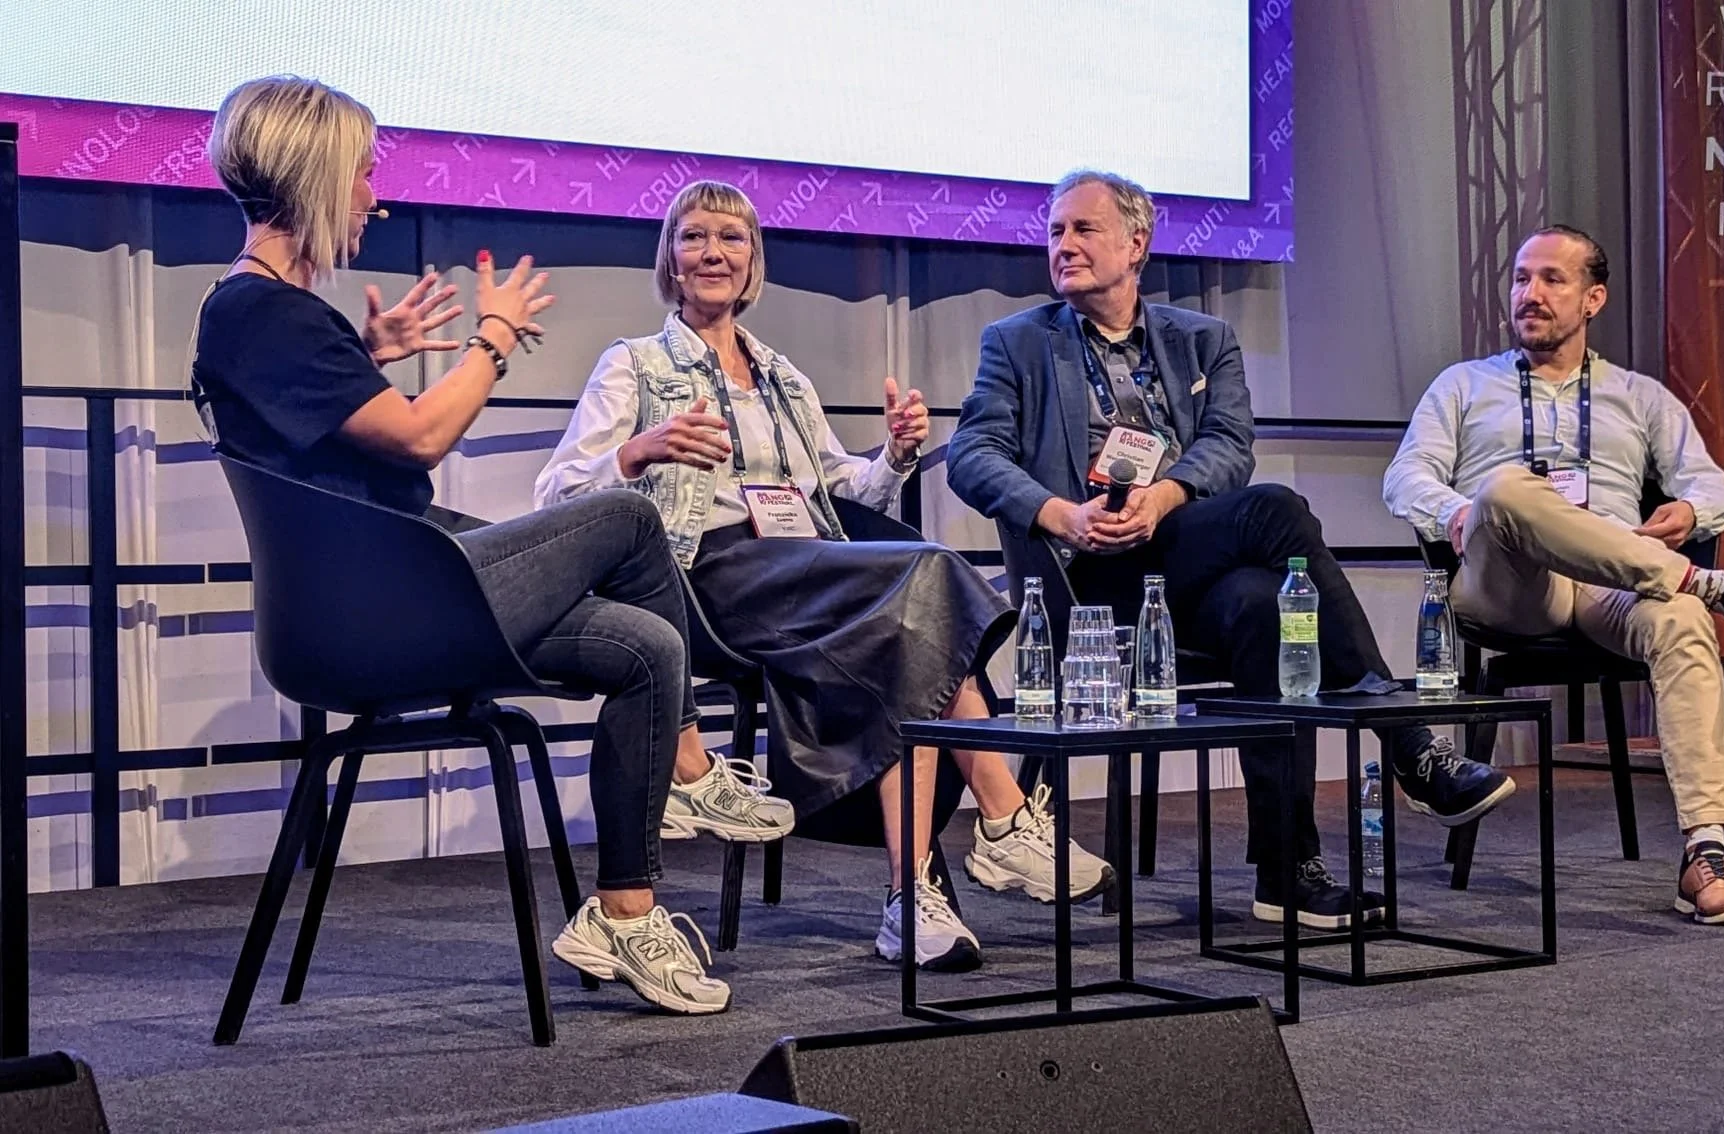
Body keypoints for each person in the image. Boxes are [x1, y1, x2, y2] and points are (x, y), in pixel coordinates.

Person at [191, 76, 791, 1016]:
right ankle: (688, 768)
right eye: (359, 171)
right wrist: (496, 337)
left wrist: (366, 352)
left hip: (397, 583)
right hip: (377, 609)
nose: (371, 193)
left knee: (649, 648)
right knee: (630, 518)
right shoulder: (260, 310)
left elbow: (309, 425)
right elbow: (424, 437)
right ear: (313, 173)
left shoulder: (268, 315)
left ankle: (625, 912)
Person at [534, 180, 1113, 973]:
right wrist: (638, 451)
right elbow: (557, 494)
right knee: (930, 577)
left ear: (752, 262)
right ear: (669, 258)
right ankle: (1004, 819)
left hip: (805, 568)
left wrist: (897, 456)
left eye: (731, 241)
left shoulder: (781, 376)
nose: (713, 254)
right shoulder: (633, 366)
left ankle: (912, 903)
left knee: (915, 636)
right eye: (695, 238)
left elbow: (841, 493)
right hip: (706, 577)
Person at [946, 170, 1514, 930]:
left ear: (1135, 242)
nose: (1064, 246)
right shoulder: (1015, 343)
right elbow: (972, 455)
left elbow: (1228, 447)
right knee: (1277, 512)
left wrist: (1165, 495)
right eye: (1056, 233)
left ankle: (1286, 874)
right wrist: (1061, 515)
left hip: (1180, 555)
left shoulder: (1201, 340)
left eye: (1083, 230)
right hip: (1089, 580)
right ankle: (1407, 740)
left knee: (1263, 605)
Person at [1381, 224, 1724, 926]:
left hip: (1611, 583)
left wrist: (1687, 508)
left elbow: (1714, 493)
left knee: (1680, 621)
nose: (1529, 294)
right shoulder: (1463, 386)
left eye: (1551, 280)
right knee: (1508, 488)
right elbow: (1405, 477)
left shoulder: (1641, 397)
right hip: (1508, 584)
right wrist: (1459, 510)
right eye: (1521, 278)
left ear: (1594, 298)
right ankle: (1722, 591)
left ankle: (1705, 852)